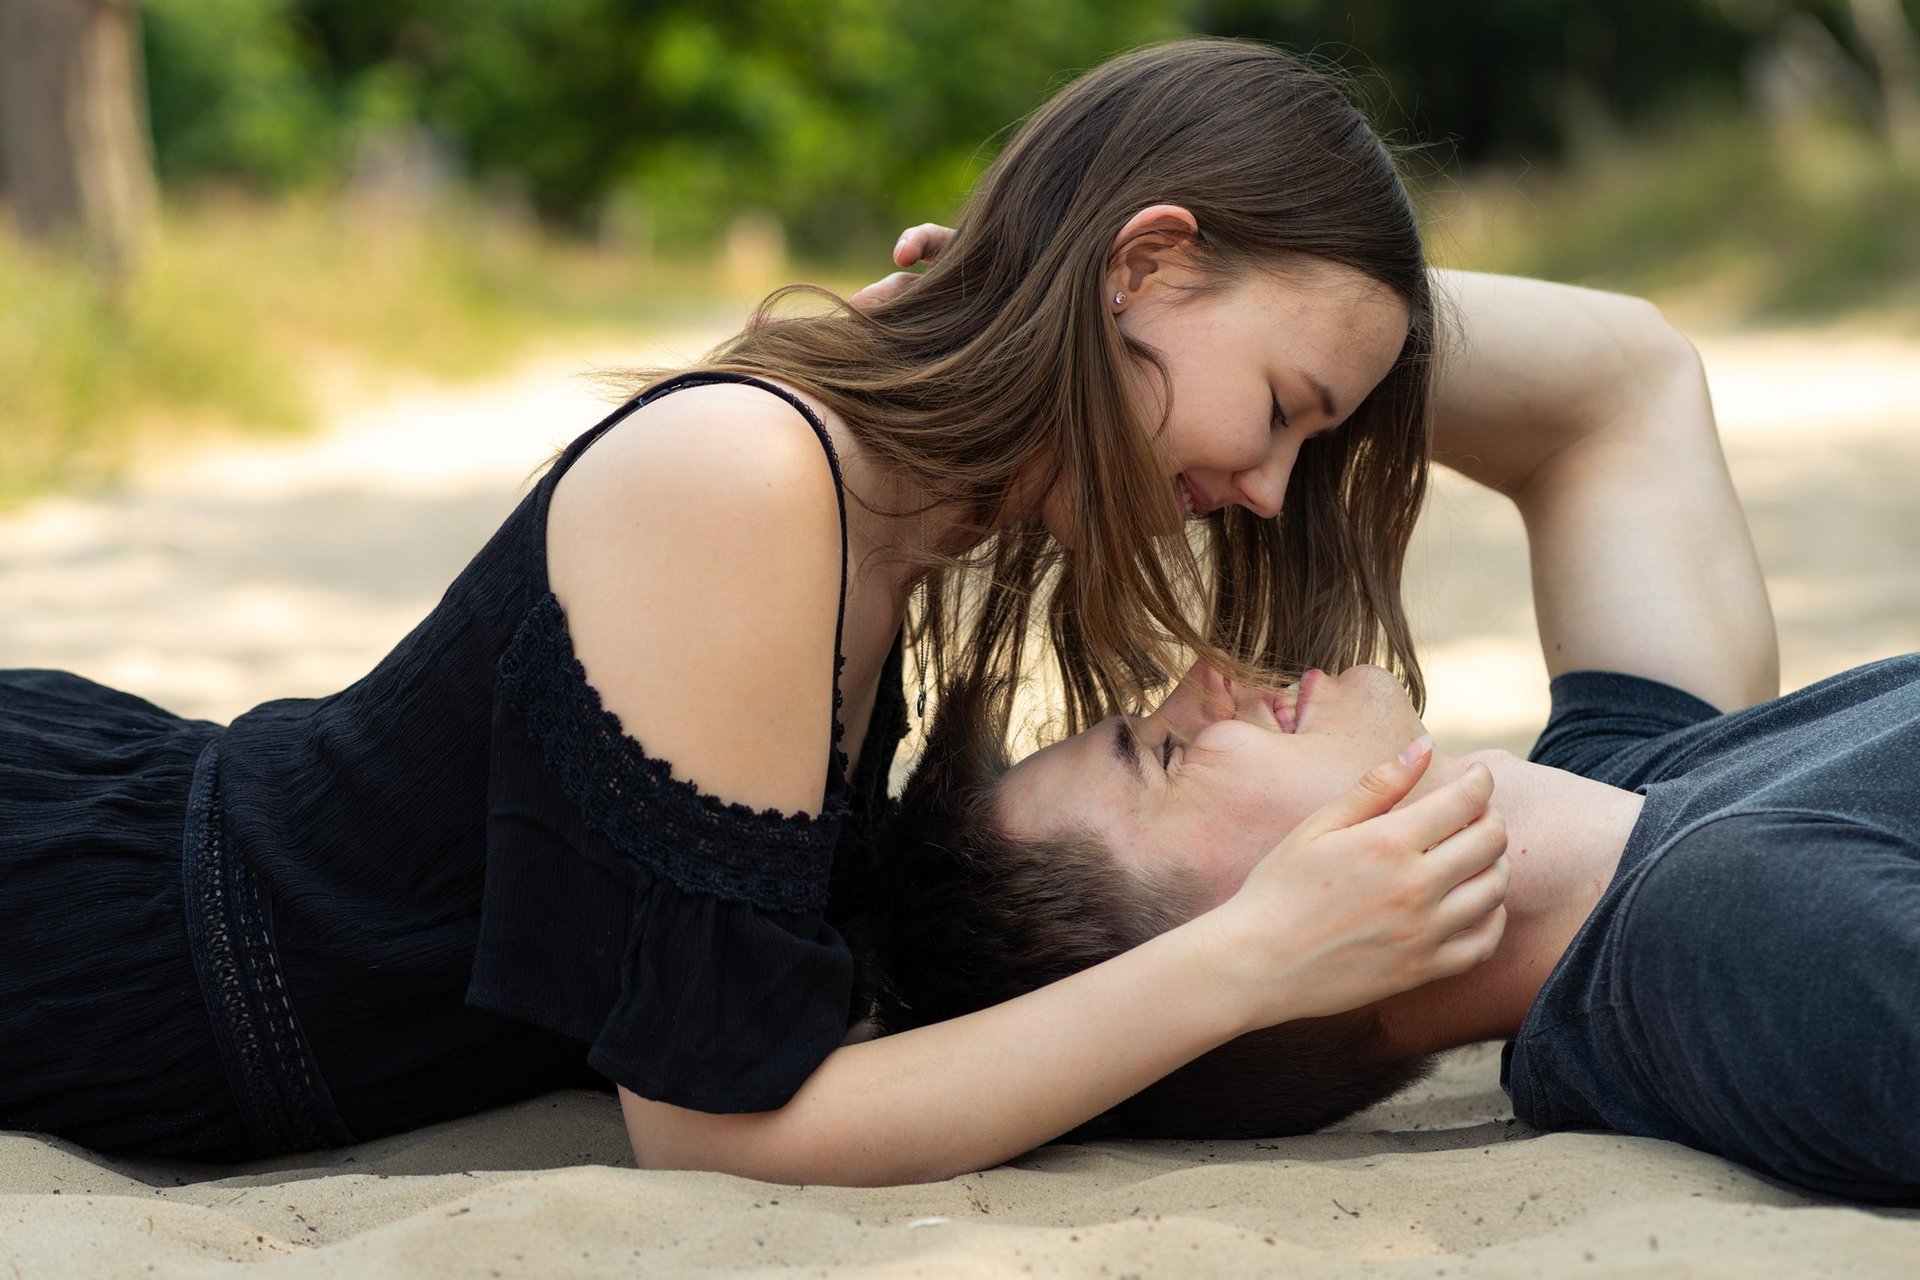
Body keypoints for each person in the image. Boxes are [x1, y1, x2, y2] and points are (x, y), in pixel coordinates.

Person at [2, 38, 1519, 1187]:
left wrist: (1010, 323)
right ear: (1147, 262)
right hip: (95, 944)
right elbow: (713, 1128)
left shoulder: (898, 483)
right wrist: (1247, 957)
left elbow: (1614, 371)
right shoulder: (757, 477)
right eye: (1282, 410)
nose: (1269, 488)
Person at [868, 284, 1920, 1201]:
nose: (1205, 680)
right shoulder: (1730, 937)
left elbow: (1617, 384)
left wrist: (1130, 306)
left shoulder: (1626, 776)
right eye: (1166, 753)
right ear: (1277, 947)